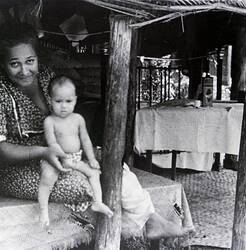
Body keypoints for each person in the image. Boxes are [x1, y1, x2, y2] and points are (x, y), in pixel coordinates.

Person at [0, 20, 192, 240]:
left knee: (111, 165)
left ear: (37, 58)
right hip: (17, 168)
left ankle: (152, 222)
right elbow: (1, 150)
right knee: (80, 184)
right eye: (15, 64)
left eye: (29, 61)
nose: (24, 70)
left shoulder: (46, 77)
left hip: (60, 155)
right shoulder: (1, 90)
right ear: (4, 64)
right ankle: (126, 234)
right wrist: (43, 152)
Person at [39, 76, 113, 229]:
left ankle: (97, 202)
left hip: (74, 158)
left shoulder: (78, 119)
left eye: (68, 101)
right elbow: (51, 142)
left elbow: (85, 140)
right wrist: (61, 156)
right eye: (58, 101)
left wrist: (91, 158)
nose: (63, 106)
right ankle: (43, 210)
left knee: (94, 172)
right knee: (47, 178)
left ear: (75, 100)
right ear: (50, 100)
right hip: (56, 158)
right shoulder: (50, 121)